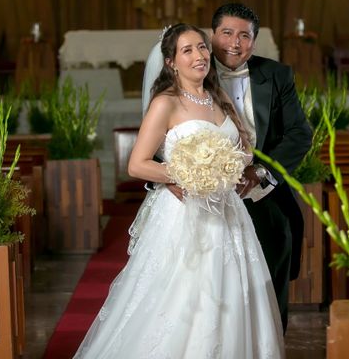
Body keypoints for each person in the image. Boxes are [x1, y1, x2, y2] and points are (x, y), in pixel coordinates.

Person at [74, 23, 285, 358]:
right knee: (185, 300)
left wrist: (235, 166)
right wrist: (188, 174)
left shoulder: (219, 98)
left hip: (229, 214)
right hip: (186, 215)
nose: (199, 55)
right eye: (187, 50)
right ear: (171, 62)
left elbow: (243, 147)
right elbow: (137, 164)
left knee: (233, 295)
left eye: (202, 47)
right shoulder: (166, 103)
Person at [210, 3, 312, 332]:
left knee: (271, 277)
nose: (235, 43)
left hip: (261, 192)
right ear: (212, 36)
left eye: (244, 35)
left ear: (255, 40)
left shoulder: (277, 74)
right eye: (227, 33)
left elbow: (299, 133)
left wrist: (263, 171)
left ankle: (271, 343)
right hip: (207, 197)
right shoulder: (192, 71)